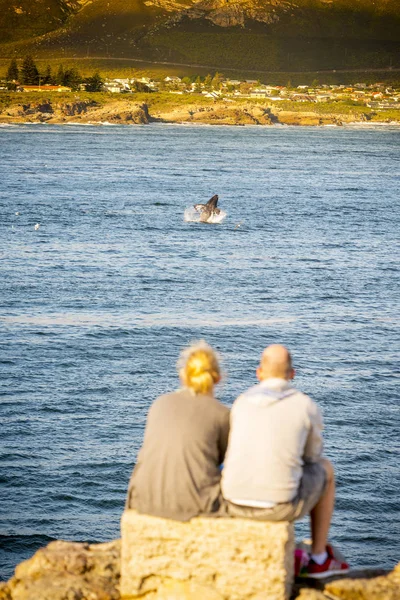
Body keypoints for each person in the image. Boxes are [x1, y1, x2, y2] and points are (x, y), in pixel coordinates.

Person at [221, 344, 349, 578]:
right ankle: (319, 558)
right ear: (292, 374)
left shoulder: (241, 402)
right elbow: (312, 457)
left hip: (233, 502)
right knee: (326, 469)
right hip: (278, 505)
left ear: (259, 373)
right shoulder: (305, 405)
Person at [126, 340, 230, 521]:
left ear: (183, 375)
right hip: (194, 507)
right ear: (218, 378)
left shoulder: (160, 404)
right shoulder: (221, 414)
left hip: (142, 501)